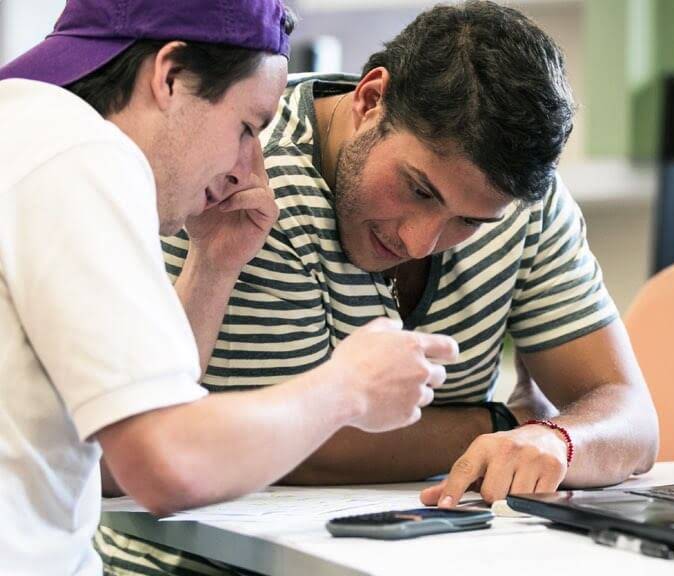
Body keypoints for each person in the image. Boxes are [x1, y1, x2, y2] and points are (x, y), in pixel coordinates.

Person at [99, 1, 659, 573]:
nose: (421, 241)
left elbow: (632, 418)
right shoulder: (247, 177)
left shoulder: (518, 204)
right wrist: (504, 425)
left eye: (468, 222)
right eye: (419, 190)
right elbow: (299, 448)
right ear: (370, 100)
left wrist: (560, 442)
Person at [0, 0, 459, 573]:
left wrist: (214, 264)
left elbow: (117, 462)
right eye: (247, 127)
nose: (247, 169)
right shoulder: (82, 155)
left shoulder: (25, 131)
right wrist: (350, 386)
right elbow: (167, 463)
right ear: (170, 76)